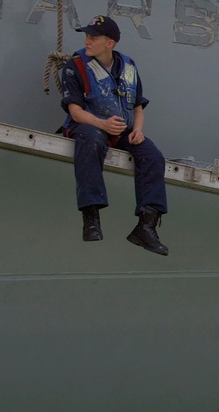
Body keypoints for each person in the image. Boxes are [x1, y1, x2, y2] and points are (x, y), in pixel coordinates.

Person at [59, 15, 169, 256]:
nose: (87, 41)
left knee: (152, 156)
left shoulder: (129, 67)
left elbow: (138, 107)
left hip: (121, 130)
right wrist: (102, 124)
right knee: (92, 139)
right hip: (88, 126)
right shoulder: (75, 66)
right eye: (87, 36)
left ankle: (146, 226)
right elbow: (75, 111)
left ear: (110, 43)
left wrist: (137, 130)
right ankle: (91, 218)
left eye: (93, 37)